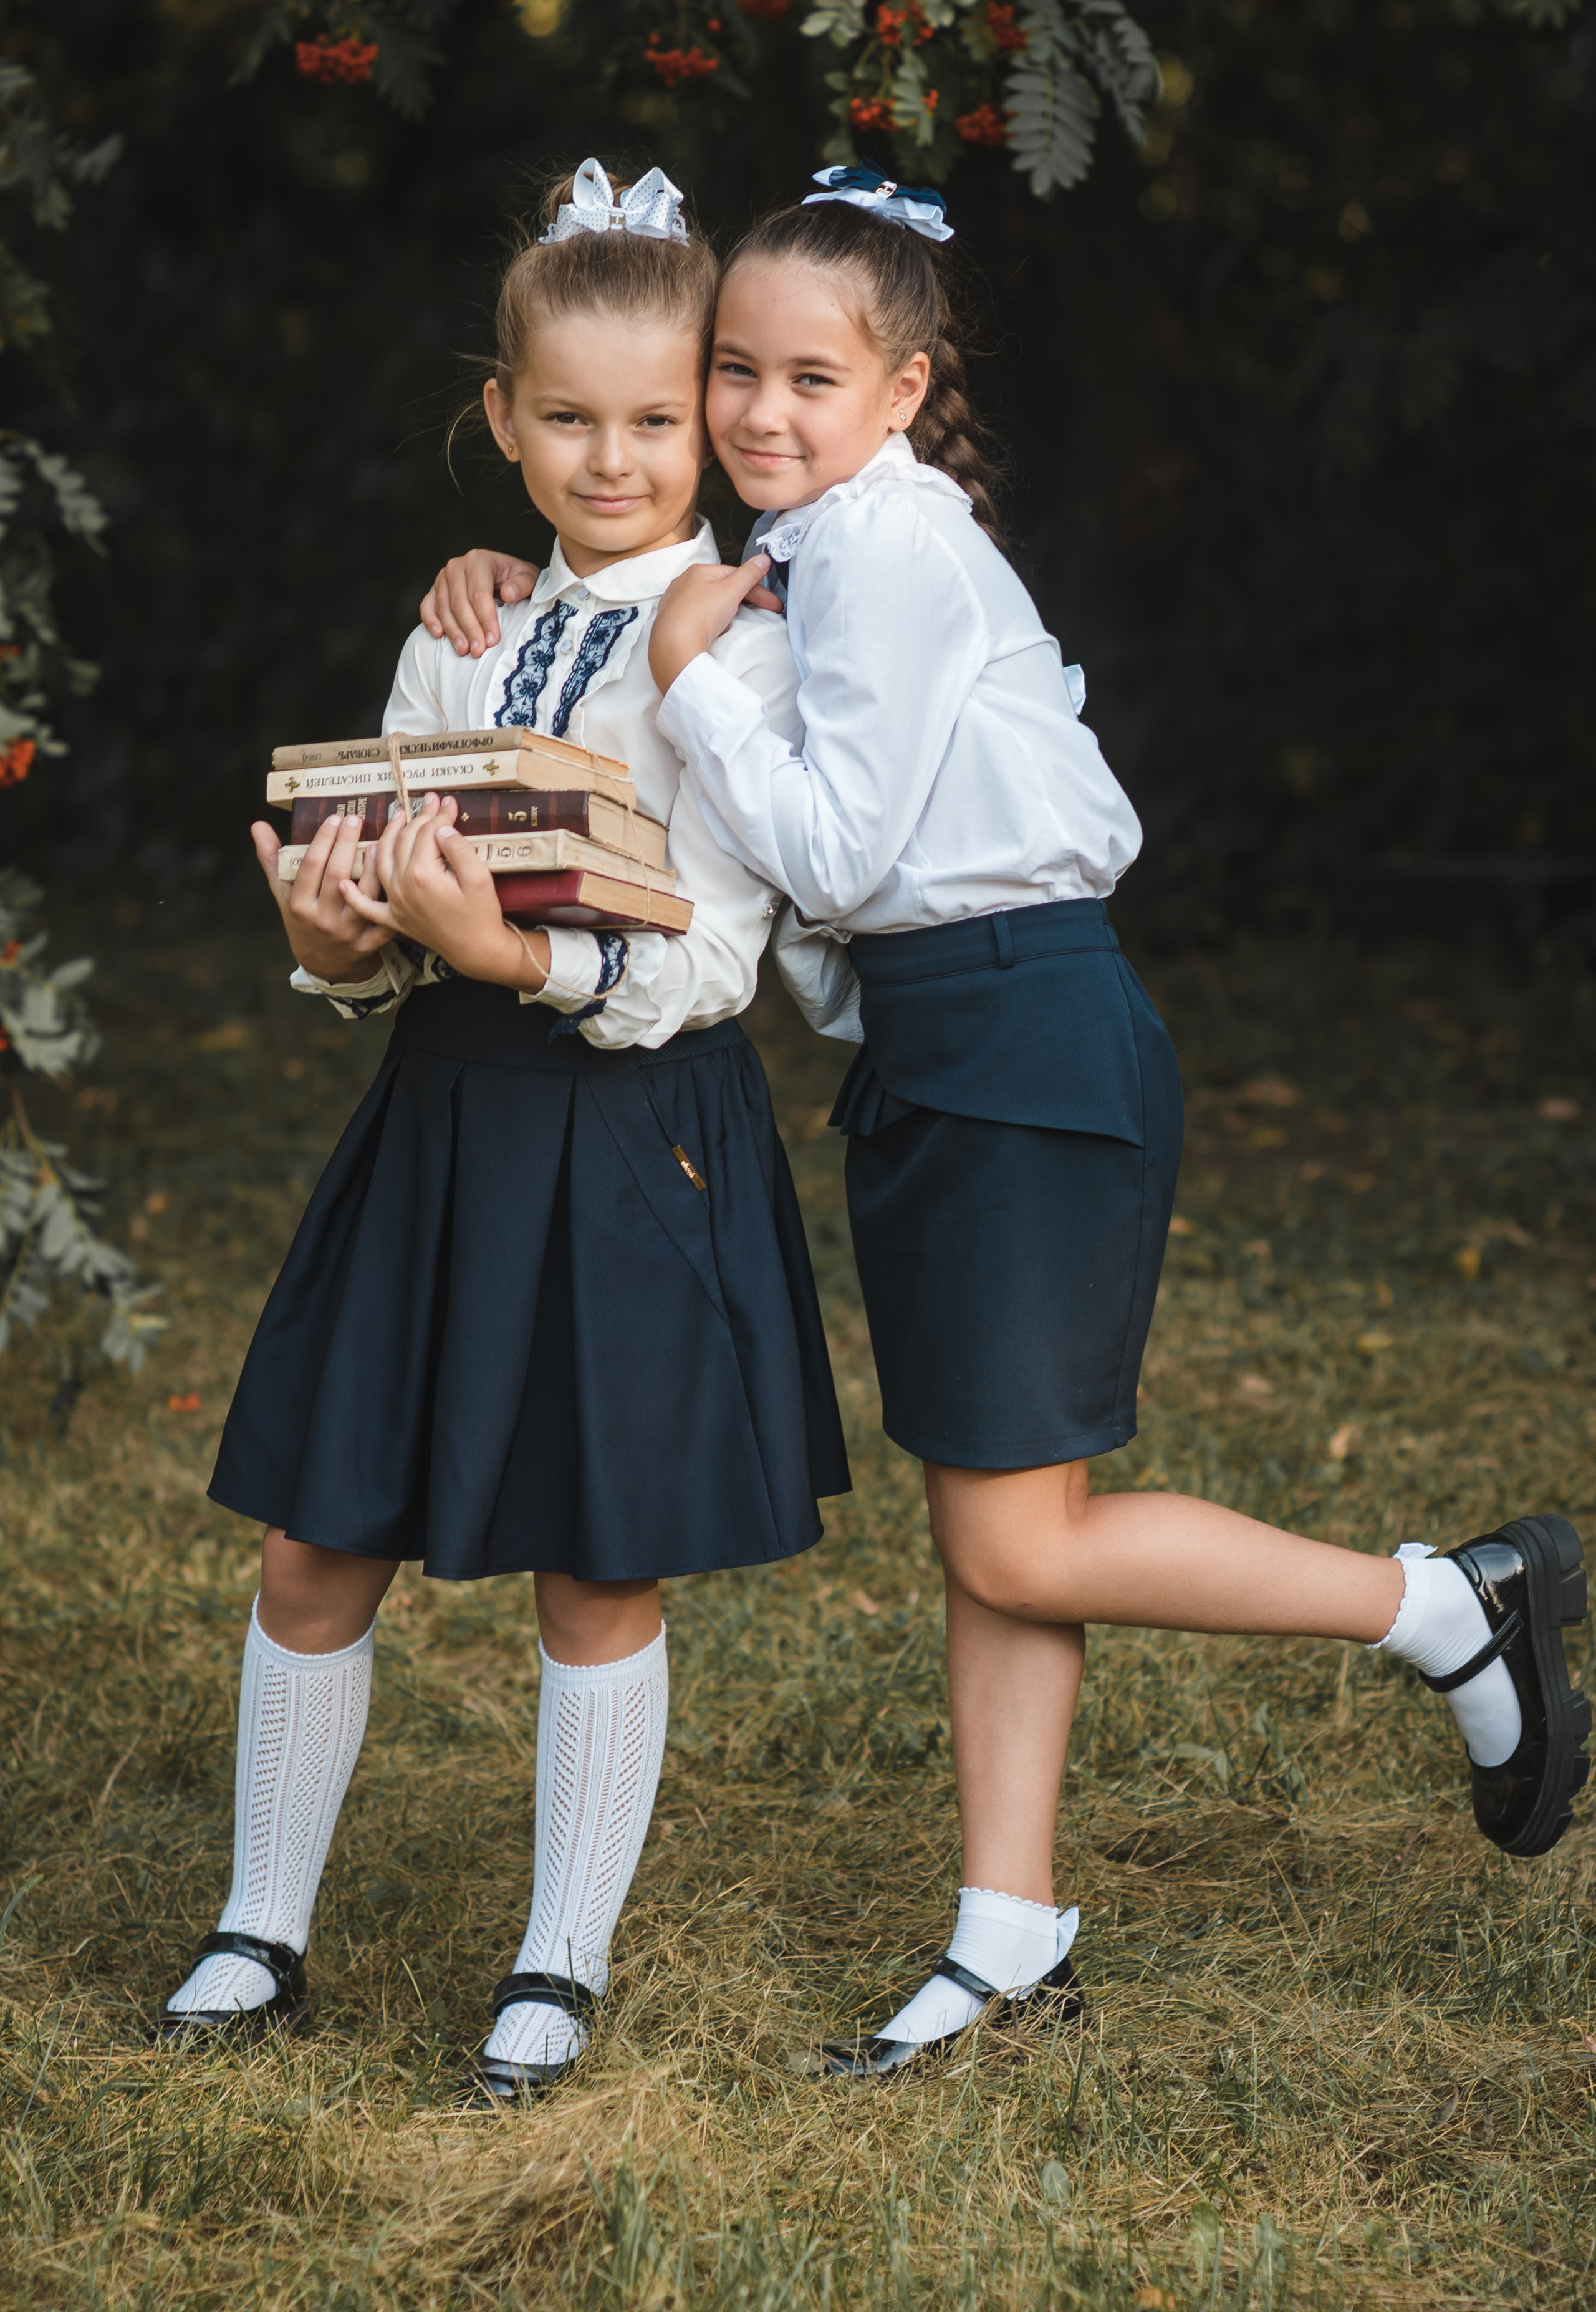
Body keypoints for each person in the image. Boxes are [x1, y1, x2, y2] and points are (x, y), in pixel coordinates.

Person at [416, 165, 1590, 2082]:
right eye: (735, 371)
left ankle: (1450, 1605)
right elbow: (805, 878)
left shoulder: (881, 549)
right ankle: (1007, 1930)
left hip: (1029, 1038)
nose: (757, 414)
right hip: (941, 1047)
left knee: (1028, 1542)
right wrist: (509, 592)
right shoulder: (806, 550)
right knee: (999, 1529)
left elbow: (838, 847)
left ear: (902, 386)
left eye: (812, 376)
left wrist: (696, 683)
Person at [155, 161, 850, 2103]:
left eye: (651, 419)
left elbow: (722, 950)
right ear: (503, 422)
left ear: (707, 409)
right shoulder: (460, 628)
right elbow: (385, 907)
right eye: (568, 418)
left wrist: (527, 966)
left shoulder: (735, 632)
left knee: (592, 1559)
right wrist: (341, 941)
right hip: (446, 1116)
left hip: (631, 1122)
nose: (612, 458)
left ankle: (559, 1960)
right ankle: (256, 1926)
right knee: (319, 1533)